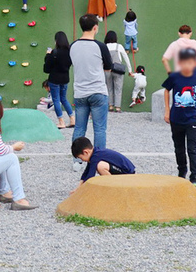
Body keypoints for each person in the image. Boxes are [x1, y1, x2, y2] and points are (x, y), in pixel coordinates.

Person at [70, 14, 113, 170]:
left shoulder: (73, 46)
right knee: (99, 128)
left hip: (80, 92)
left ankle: (77, 161)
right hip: (98, 91)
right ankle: (98, 160)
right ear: (95, 27)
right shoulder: (100, 46)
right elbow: (108, 67)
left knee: (79, 128)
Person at [162, 48, 196, 187]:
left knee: (192, 148)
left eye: (190, 62)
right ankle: (182, 172)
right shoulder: (174, 77)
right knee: (179, 148)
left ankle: (195, 176)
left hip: (192, 118)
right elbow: (166, 91)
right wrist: (167, 110)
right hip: (176, 118)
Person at [71, 137, 136, 189]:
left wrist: (82, 190)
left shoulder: (96, 157)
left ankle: (114, 187)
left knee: (100, 166)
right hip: (125, 170)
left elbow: (90, 176)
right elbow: (86, 171)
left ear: (86, 152)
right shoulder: (95, 153)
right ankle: (113, 184)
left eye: (81, 157)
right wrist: (80, 185)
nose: (82, 160)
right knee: (99, 165)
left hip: (127, 173)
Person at [43, 31, 75, 129]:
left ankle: (61, 122)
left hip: (54, 79)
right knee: (64, 99)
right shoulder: (70, 52)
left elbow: (47, 68)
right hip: (65, 78)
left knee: (56, 100)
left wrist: (48, 55)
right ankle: (72, 119)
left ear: (56, 41)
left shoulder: (55, 52)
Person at [103, 31, 132, 113]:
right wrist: (130, 70)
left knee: (109, 88)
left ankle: (111, 106)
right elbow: (126, 58)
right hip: (118, 70)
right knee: (118, 88)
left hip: (107, 70)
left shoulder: (104, 47)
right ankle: (118, 107)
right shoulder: (119, 46)